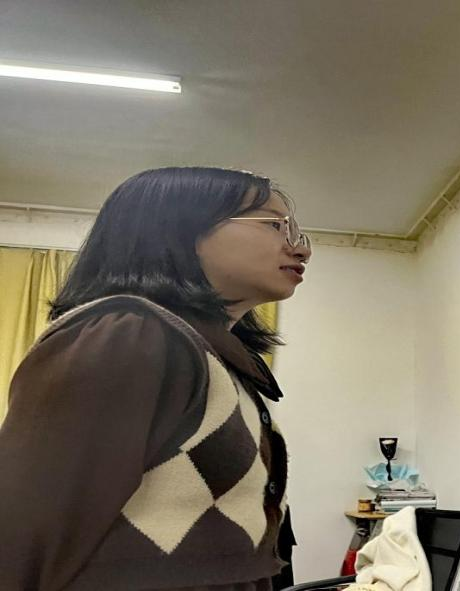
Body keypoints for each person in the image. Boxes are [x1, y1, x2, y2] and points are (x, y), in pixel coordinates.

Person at [0, 167, 312, 590]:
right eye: (274, 225)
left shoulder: (214, 358)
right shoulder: (130, 335)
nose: (300, 247)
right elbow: (25, 529)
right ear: (182, 229)